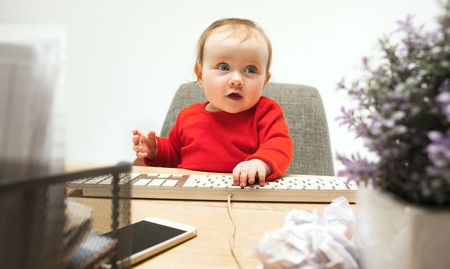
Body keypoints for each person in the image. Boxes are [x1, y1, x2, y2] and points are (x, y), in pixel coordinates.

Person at [132, 18, 293, 188]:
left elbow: (280, 145)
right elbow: (173, 154)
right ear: (200, 76)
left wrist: (260, 163)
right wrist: (155, 149)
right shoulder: (188, 116)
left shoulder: (266, 112)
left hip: (244, 193)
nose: (236, 80)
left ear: (264, 81)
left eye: (250, 70)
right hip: (190, 194)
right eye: (224, 67)